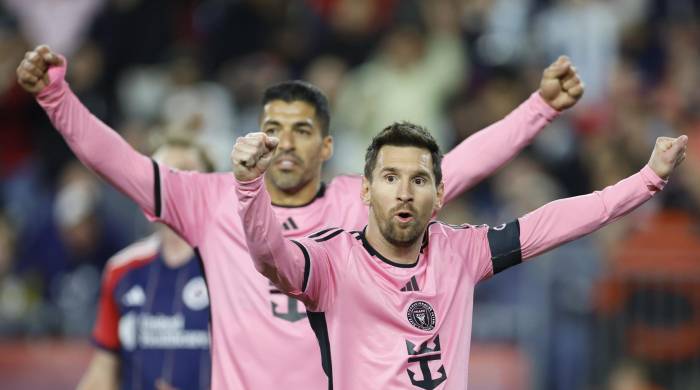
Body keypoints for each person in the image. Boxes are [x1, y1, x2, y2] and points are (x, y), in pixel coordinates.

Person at [17, 44, 582, 389]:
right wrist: (56, 98)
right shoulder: (211, 198)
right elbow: (119, 163)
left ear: (327, 147)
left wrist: (539, 109)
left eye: (302, 130)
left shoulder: (359, 201)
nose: (284, 143)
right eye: (273, 128)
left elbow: (460, 165)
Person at [232, 124, 686, 389]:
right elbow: (271, 256)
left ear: (440, 194)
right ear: (366, 190)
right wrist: (251, 188)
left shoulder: (461, 251)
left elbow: (553, 222)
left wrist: (647, 179)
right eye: (390, 178)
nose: (405, 193)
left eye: (419, 180)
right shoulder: (330, 261)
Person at [77, 138, 215, 390]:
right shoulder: (122, 269)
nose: (171, 180)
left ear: (209, 187)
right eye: (161, 172)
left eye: (183, 169)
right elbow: (102, 370)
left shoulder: (235, 267)